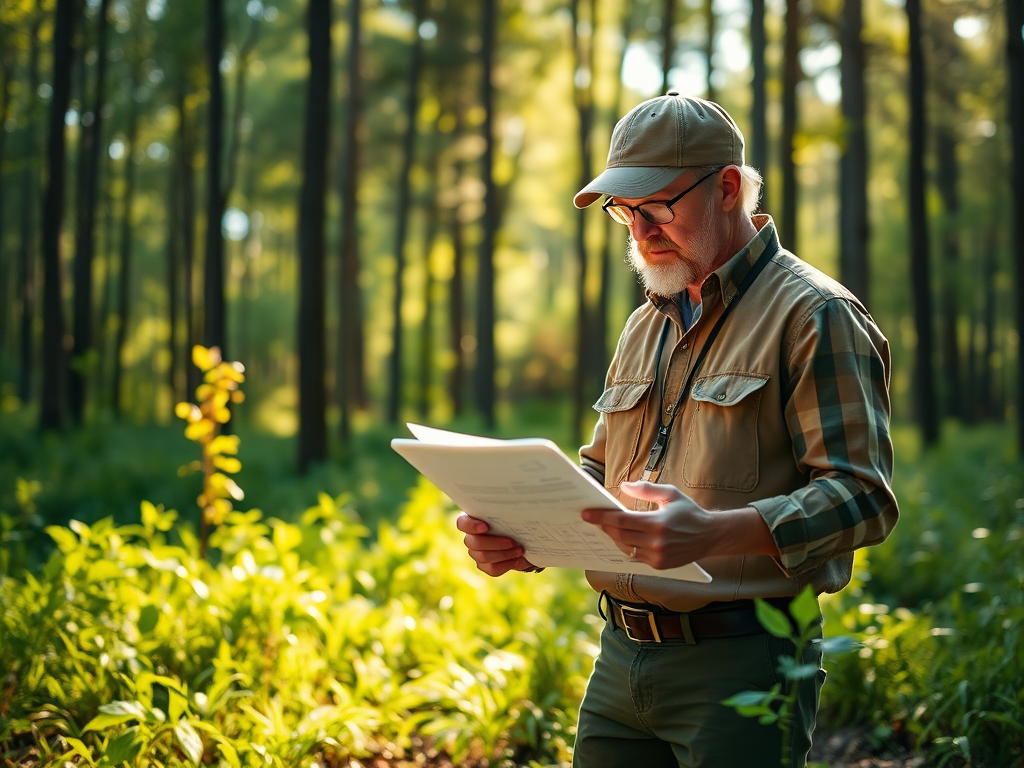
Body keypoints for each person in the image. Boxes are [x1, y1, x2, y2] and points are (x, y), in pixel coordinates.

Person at [456, 92, 898, 767]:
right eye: (624, 211)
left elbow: (863, 498)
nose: (640, 229)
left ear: (727, 189)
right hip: (618, 660)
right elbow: (603, 478)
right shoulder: (646, 323)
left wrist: (718, 532)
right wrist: (528, 536)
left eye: (658, 205)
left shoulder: (816, 315)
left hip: (747, 663)